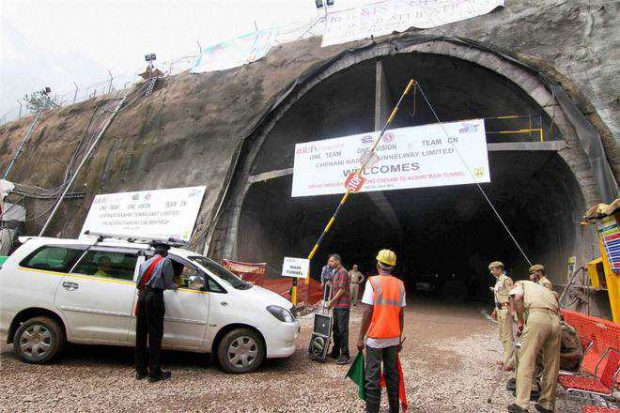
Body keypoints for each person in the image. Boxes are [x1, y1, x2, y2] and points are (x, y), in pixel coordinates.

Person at [356, 249, 406, 413]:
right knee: (392, 376)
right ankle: (394, 410)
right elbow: (401, 315)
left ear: (378, 263)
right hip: (392, 337)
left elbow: (367, 312)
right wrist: (398, 339)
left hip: (375, 337)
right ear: (392, 266)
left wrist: (359, 338)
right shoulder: (400, 284)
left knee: (372, 378)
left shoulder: (373, 282)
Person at [507, 280, 561, 413]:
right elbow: (558, 303)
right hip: (556, 321)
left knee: (526, 359)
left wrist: (520, 321)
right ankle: (547, 405)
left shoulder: (520, 283)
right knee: (552, 364)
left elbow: (517, 298)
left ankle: (521, 405)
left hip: (537, 317)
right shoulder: (546, 290)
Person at [135, 243, 178, 382]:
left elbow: (138, 283)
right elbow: (168, 283)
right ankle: (154, 373)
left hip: (142, 297)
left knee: (141, 334)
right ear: (165, 252)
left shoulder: (145, 263)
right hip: (154, 298)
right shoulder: (166, 262)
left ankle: (140, 371)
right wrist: (177, 285)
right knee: (155, 335)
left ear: (155, 252)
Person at [489, 261, 514, 370]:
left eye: (493, 269)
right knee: (502, 335)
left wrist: (512, 311)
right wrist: (495, 309)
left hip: (505, 309)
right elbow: (499, 296)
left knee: (507, 335)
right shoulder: (498, 281)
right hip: (499, 309)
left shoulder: (506, 280)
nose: (491, 272)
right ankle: (505, 358)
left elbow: (512, 296)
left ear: (499, 269)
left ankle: (509, 362)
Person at [326, 253, 351, 365]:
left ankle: (345, 354)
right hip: (336, 305)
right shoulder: (335, 272)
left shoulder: (343, 272)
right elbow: (334, 287)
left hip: (343, 305)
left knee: (342, 330)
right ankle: (336, 351)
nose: (329, 263)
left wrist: (331, 301)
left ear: (337, 261)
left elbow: (342, 290)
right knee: (336, 329)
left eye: (331, 261)